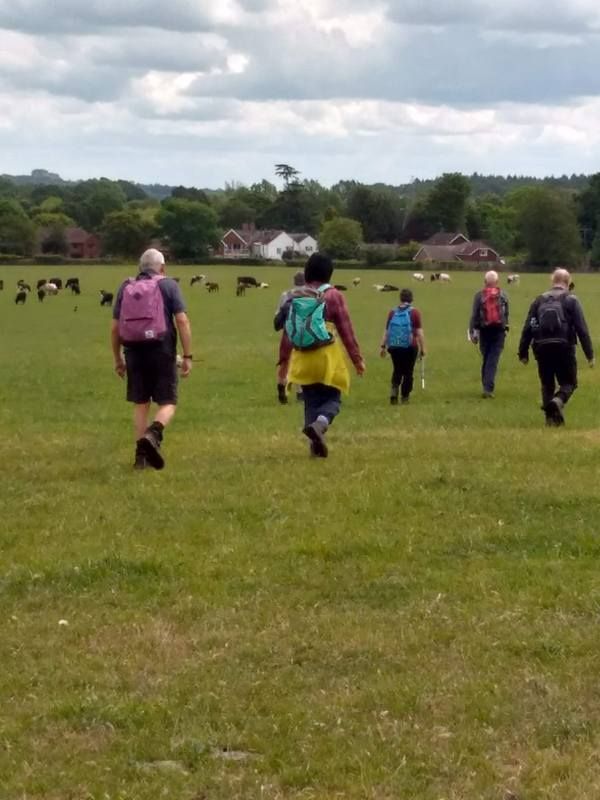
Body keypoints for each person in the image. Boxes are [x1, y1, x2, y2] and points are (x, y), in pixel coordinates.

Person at [111, 248, 193, 469]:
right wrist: (187, 355)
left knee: (141, 404)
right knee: (168, 402)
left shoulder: (125, 287)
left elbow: (115, 328)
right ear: (162, 267)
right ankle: (153, 434)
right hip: (162, 350)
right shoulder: (169, 285)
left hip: (133, 351)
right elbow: (182, 321)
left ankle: (141, 458)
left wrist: (117, 359)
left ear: (140, 268)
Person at [281, 252, 365, 458]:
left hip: (302, 360)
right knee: (333, 399)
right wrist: (357, 359)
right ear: (329, 273)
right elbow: (346, 330)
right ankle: (320, 424)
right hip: (326, 359)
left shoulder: (296, 297)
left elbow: (288, 333)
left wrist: (283, 362)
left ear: (307, 272)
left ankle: (315, 446)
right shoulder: (334, 295)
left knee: (310, 403)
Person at [518, 268, 594, 426]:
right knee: (569, 383)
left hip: (541, 348)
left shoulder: (538, 300)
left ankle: (550, 421)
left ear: (553, 280)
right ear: (568, 282)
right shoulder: (571, 300)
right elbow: (582, 329)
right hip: (564, 347)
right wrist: (589, 355)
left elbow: (528, 327)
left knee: (547, 384)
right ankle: (558, 401)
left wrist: (523, 352)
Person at [379, 288, 426, 404]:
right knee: (408, 372)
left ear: (400, 298)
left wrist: (383, 346)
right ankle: (405, 397)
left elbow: (387, 331)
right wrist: (423, 348)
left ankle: (394, 394)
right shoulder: (415, 312)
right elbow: (419, 332)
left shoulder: (392, 312)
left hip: (394, 346)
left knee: (397, 370)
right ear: (411, 299)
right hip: (410, 346)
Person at [468, 270, 509, 398]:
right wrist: (505, 327)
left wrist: (472, 332)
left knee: (486, 358)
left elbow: (474, 315)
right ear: (497, 282)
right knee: (493, 359)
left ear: (485, 282)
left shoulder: (479, 296)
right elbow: (506, 314)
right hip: (499, 331)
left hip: (484, 330)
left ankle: (486, 386)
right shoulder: (503, 295)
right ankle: (488, 388)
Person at [274, 270, 305, 404]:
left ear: (294, 281)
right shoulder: (311, 294)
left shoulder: (286, 295)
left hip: (289, 333)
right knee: (301, 362)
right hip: (305, 333)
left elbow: (278, 314)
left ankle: (281, 388)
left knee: (285, 362)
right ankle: (300, 392)